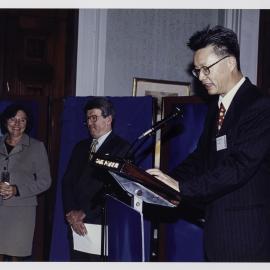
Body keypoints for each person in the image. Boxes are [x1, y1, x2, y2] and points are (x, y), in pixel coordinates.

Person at [147, 25, 270, 262]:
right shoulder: (217, 107)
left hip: (247, 237)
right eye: (197, 71)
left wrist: (182, 188)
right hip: (217, 234)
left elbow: (237, 167)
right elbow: (201, 158)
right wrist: (164, 184)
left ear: (230, 63)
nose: (201, 77)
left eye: (206, 69)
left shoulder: (259, 106)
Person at [62, 97, 131, 261]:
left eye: (94, 117)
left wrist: (84, 213)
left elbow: (116, 190)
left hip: (101, 223)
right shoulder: (80, 147)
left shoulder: (122, 148)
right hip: (75, 224)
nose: (90, 123)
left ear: (108, 119)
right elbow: (67, 183)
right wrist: (71, 212)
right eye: (88, 118)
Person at [0, 103, 52, 261]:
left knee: (16, 255)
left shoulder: (37, 147)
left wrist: (17, 190)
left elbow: (45, 181)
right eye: (13, 119)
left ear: (27, 124)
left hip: (21, 210)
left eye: (22, 120)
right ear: (5, 121)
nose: (17, 124)